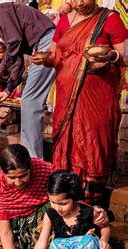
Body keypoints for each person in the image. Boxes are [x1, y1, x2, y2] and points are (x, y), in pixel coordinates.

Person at [32, 0, 127, 204]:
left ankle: (91, 200)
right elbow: (55, 56)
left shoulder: (109, 19)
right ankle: (66, 195)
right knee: (68, 138)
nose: (79, 2)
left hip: (97, 95)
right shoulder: (65, 21)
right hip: (67, 94)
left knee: (93, 140)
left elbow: (125, 56)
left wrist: (110, 56)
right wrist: (43, 59)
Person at [0, 4, 56, 159]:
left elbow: (14, 42)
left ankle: (32, 159)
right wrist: (7, 91)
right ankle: (32, 155)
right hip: (40, 46)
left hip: (47, 42)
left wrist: (1, 67)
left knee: (30, 101)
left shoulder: (1, 11)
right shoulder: (0, 24)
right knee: (28, 101)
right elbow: (18, 61)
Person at [20, 170, 115, 249]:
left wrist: (104, 239)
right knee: (54, 244)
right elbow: (41, 243)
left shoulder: (89, 212)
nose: (58, 208)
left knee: (90, 242)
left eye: (63, 203)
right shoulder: (51, 214)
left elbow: (105, 227)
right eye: (53, 202)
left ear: (74, 197)